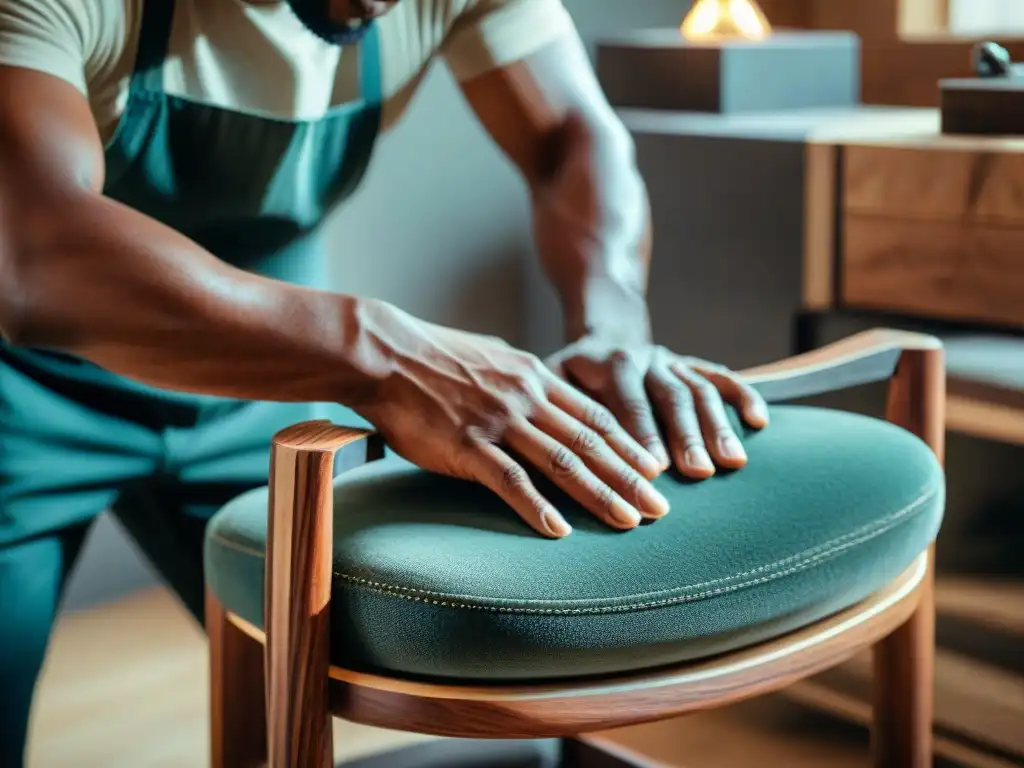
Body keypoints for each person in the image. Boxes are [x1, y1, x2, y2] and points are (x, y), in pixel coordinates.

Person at [0, 0, 769, 762]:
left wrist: (612, 326)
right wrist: (385, 356)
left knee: (312, 701)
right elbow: (34, 256)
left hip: (268, 389)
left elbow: (571, 136)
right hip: (23, 400)